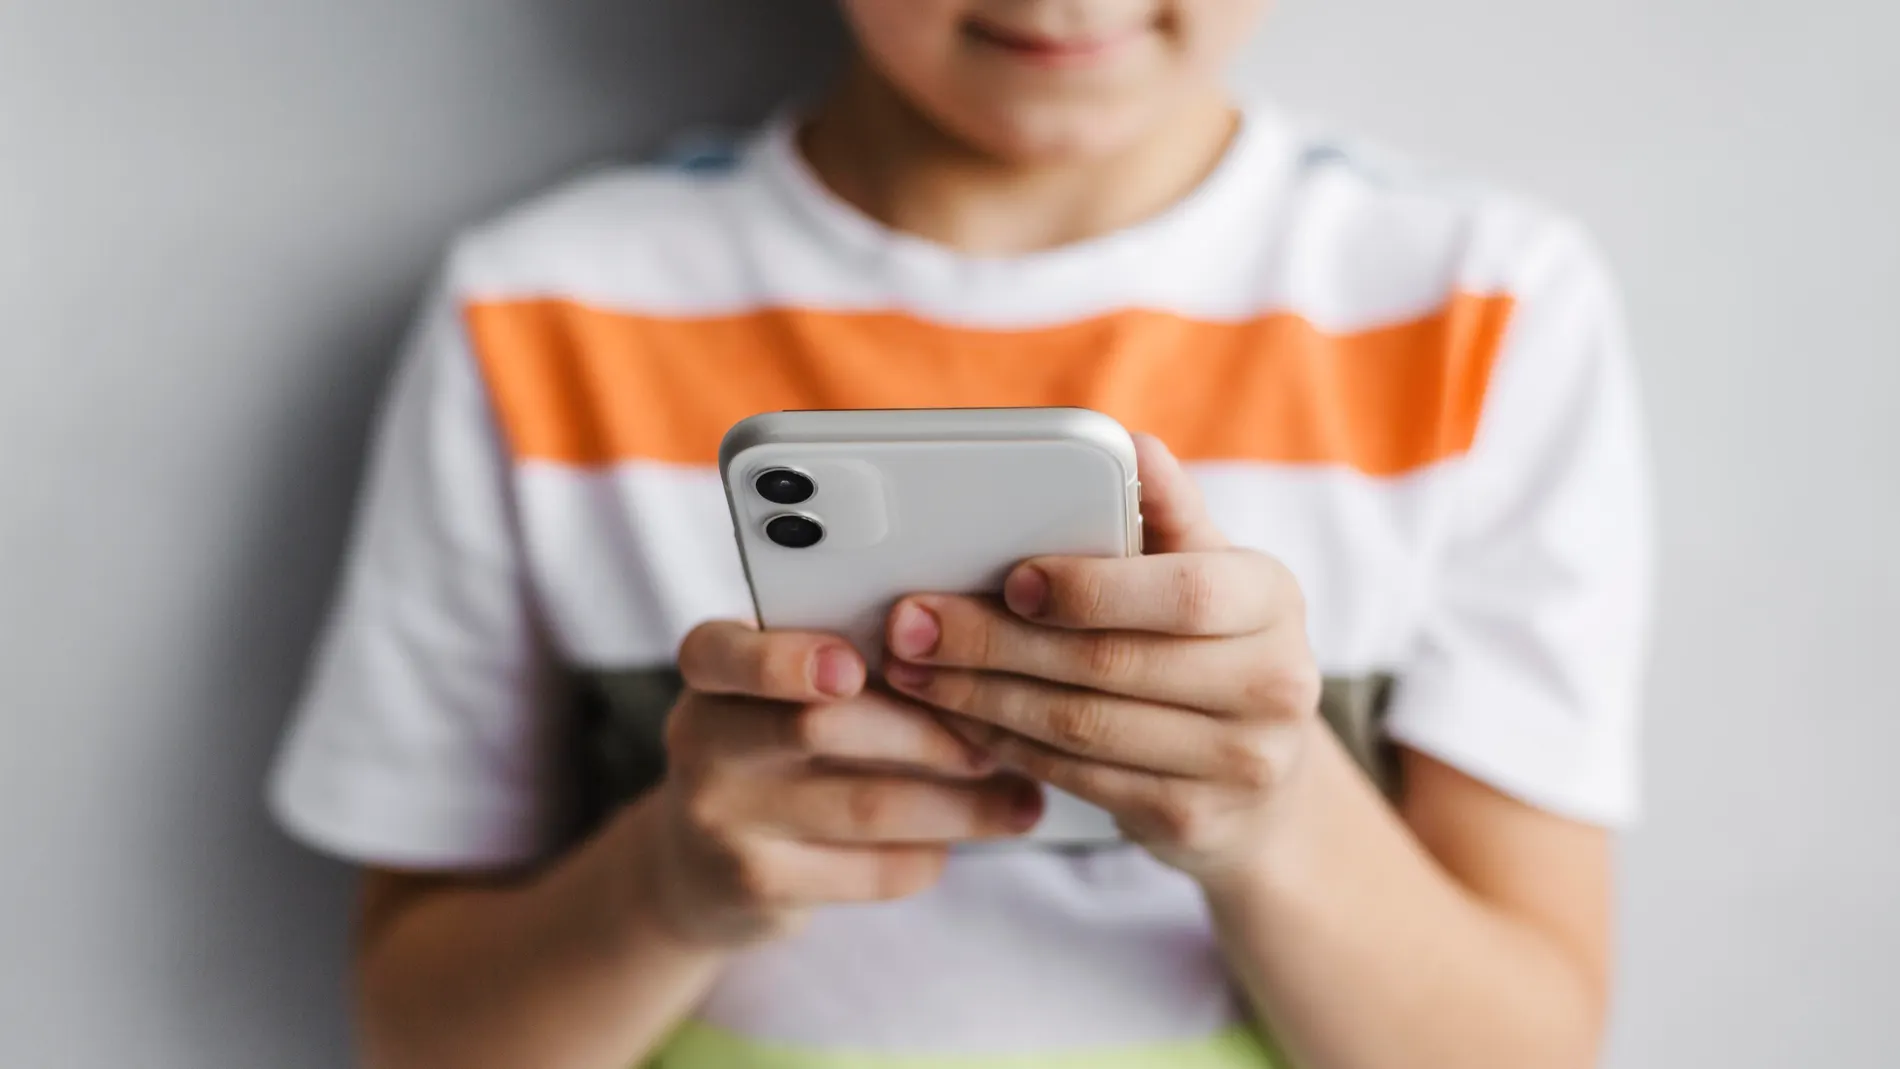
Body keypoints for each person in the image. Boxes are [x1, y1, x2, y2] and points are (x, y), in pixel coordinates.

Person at [267, 1, 1653, 1066]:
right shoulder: (537, 313)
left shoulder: (1482, 311)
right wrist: (671, 886)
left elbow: (1518, 1041)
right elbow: (423, 1028)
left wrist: (1274, 818)